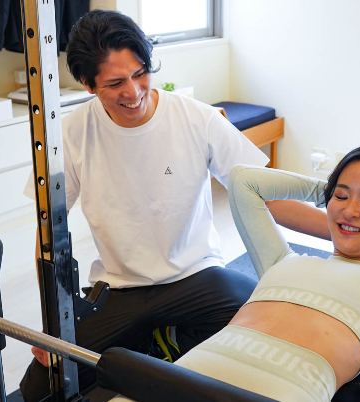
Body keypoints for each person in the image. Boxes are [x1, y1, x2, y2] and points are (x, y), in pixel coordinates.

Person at [20, 9, 329, 401]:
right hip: (119, 287)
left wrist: (346, 232)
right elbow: (49, 230)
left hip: (196, 277)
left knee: (269, 334)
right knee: (40, 389)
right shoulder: (71, 133)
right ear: (87, 84)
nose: (133, 92)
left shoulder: (196, 119)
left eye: (139, 73)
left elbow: (267, 197)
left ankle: (168, 341)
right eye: (115, 83)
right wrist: (54, 321)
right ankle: (153, 345)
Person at [112, 143, 360, 402]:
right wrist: (330, 193)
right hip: (178, 382)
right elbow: (245, 180)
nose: (350, 210)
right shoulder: (284, 261)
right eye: (340, 196)